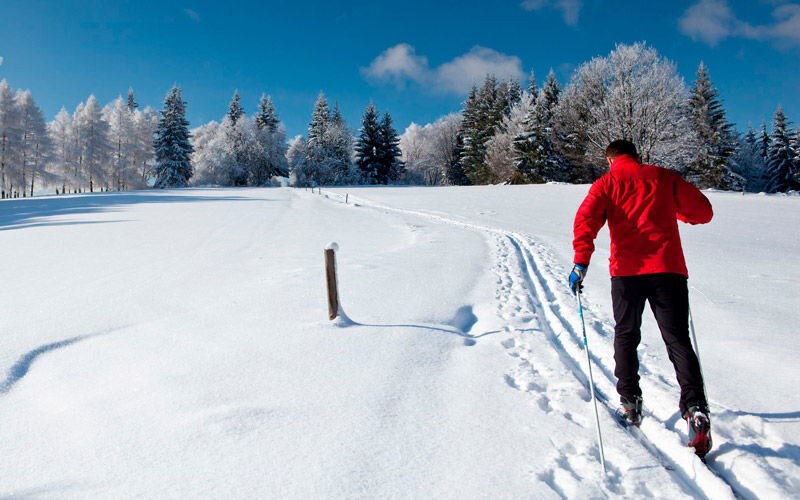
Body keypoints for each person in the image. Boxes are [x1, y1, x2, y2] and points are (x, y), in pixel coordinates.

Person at [568, 139, 714, 458]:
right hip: (669, 270)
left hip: (627, 274)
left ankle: (631, 402)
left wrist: (581, 262)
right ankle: (696, 408)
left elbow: (586, 222)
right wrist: (672, 208)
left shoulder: (606, 184)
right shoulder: (663, 177)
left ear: (610, 160)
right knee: (677, 340)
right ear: (638, 155)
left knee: (626, 335)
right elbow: (703, 212)